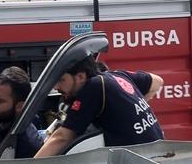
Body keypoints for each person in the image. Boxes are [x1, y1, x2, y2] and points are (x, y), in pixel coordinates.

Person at [35, 56, 164, 157]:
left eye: (61, 80)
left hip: (138, 163)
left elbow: (62, 137)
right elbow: (157, 81)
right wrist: (132, 106)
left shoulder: (93, 87)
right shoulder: (117, 76)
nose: (56, 87)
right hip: (159, 151)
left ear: (80, 76)